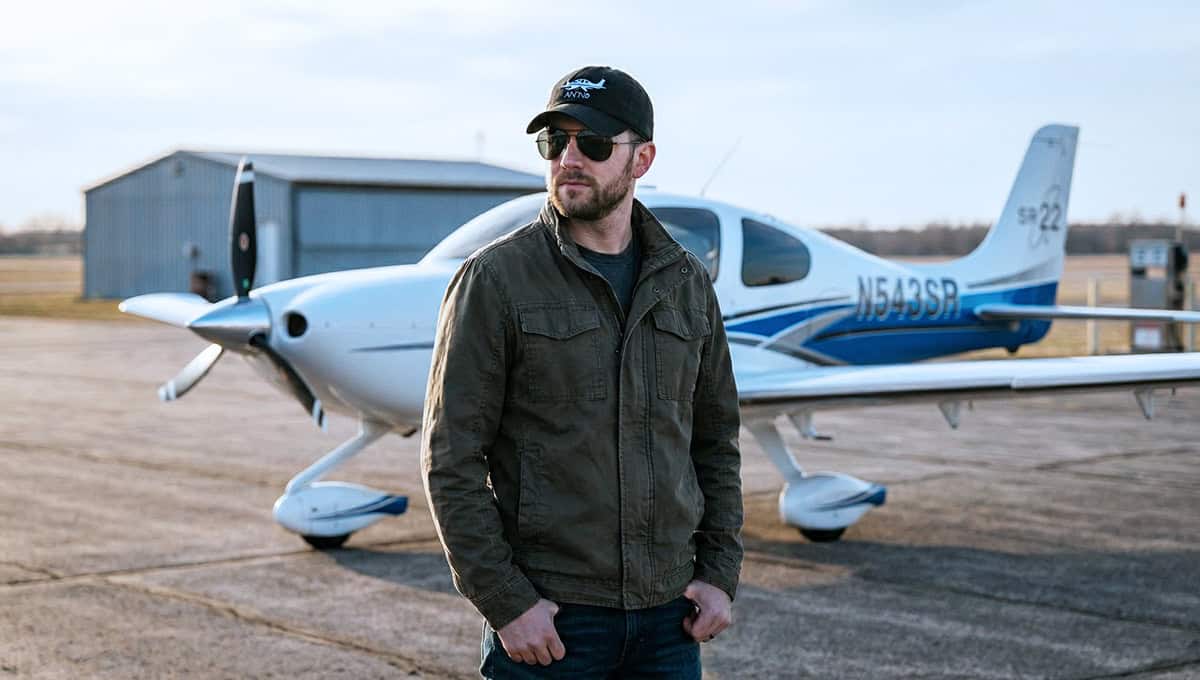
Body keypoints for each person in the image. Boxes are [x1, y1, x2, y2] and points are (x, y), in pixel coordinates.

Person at [421, 65, 743, 679]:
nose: (569, 158)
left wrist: (719, 573)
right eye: (554, 142)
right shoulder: (495, 281)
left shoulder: (686, 283)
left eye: (592, 144)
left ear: (641, 159)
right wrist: (507, 603)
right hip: (552, 625)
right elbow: (451, 458)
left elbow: (715, 441)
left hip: (669, 624)